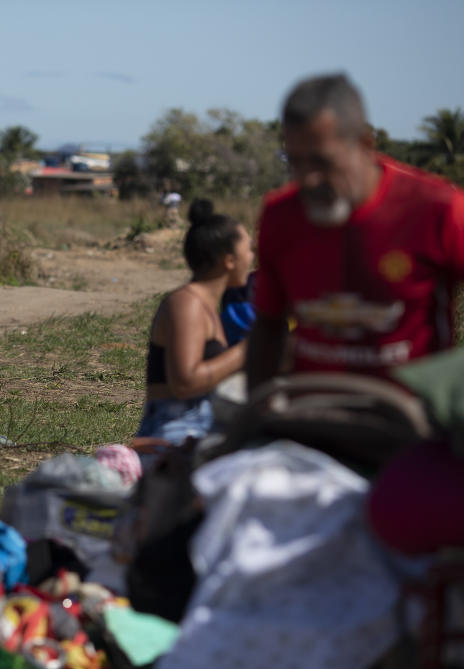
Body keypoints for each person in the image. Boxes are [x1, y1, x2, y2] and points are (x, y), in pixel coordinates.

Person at [247, 73, 464, 391]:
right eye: (295, 162)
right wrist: (256, 413)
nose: (307, 180)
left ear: (365, 143)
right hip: (311, 419)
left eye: (322, 162)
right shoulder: (280, 215)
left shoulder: (437, 210)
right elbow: (268, 324)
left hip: (412, 424)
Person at [136, 199, 254, 443]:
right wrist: (245, 352)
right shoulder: (187, 303)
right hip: (173, 433)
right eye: (248, 250)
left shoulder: (208, 305)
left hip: (199, 428)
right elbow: (184, 382)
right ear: (229, 260)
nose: (252, 258)